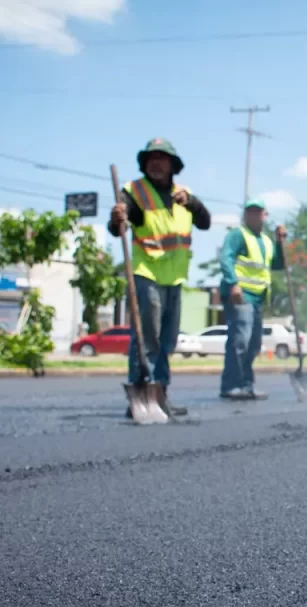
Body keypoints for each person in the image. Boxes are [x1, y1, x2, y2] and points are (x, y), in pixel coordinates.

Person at [109, 137, 213, 417]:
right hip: (147, 273)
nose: (157, 163)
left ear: (172, 165)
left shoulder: (183, 194)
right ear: (145, 163)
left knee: (168, 340)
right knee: (148, 337)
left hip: (175, 277)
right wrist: (117, 217)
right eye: (152, 158)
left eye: (162, 158)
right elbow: (119, 224)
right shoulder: (134, 192)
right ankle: (141, 390)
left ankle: (160, 394)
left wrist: (191, 203)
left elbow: (205, 222)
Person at [218, 199, 286, 400]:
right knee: (240, 340)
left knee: (254, 343)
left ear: (265, 215)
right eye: (251, 212)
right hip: (240, 295)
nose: (255, 216)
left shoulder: (265, 241)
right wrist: (233, 283)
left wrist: (280, 243)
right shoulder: (238, 235)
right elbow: (226, 258)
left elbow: (278, 264)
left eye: (259, 212)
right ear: (245, 215)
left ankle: (247, 384)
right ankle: (230, 385)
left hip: (258, 298)